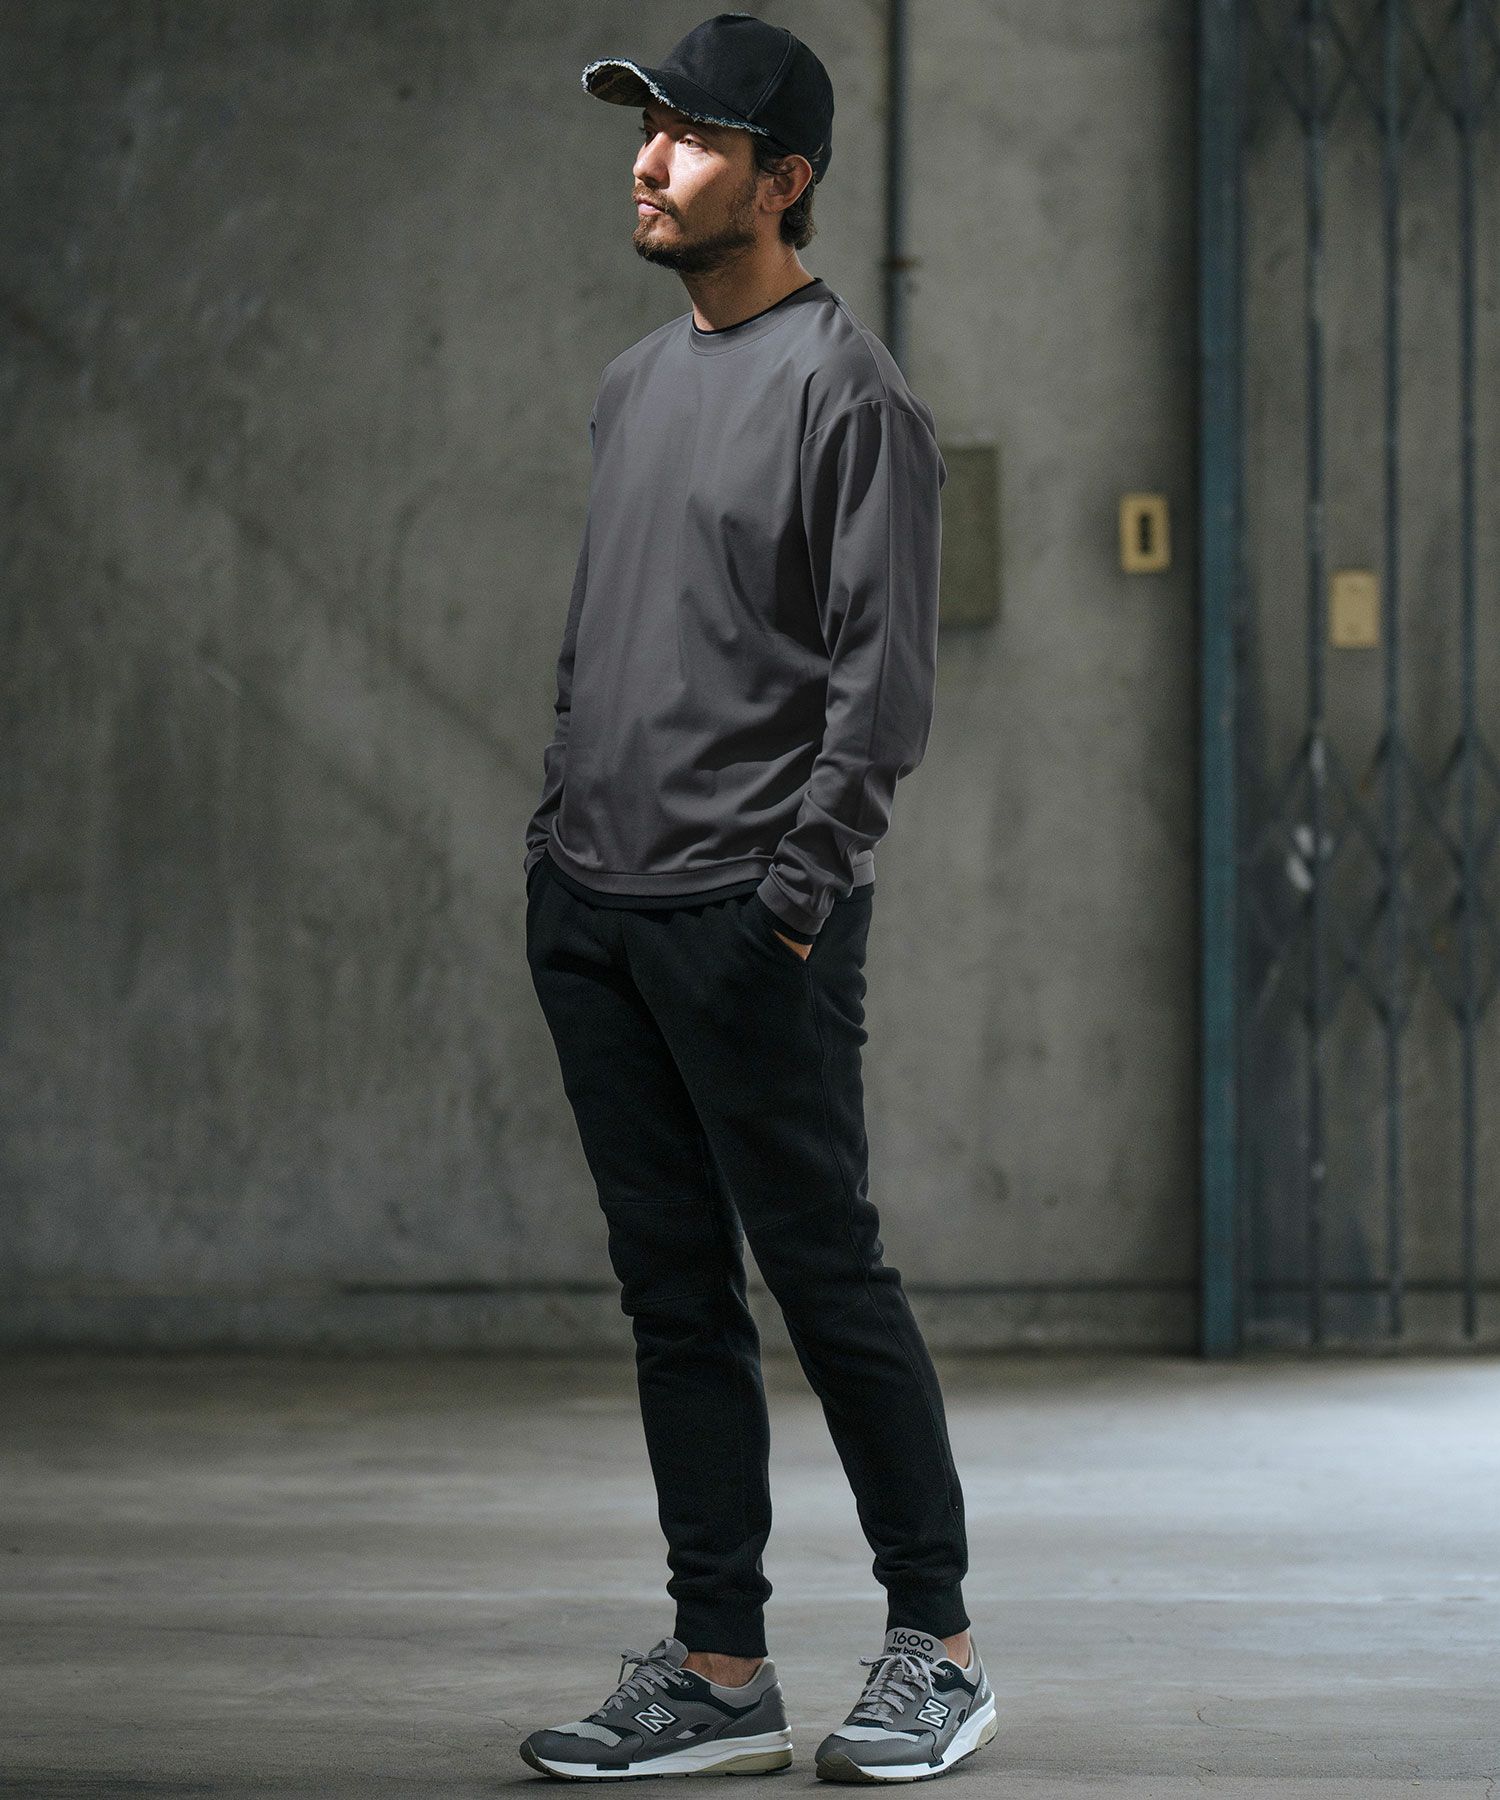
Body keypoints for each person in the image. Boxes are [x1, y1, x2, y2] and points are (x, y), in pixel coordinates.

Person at [517, 13, 997, 1784]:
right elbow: (603, 639)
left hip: (749, 921)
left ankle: (937, 1646)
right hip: (594, 909)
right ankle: (721, 1666)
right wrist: (556, 844)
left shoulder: (849, 394)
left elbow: (882, 697)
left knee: (823, 1275)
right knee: (673, 1296)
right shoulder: (636, 382)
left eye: (693, 139)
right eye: (646, 132)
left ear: (781, 180)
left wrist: (789, 901)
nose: (649, 162)